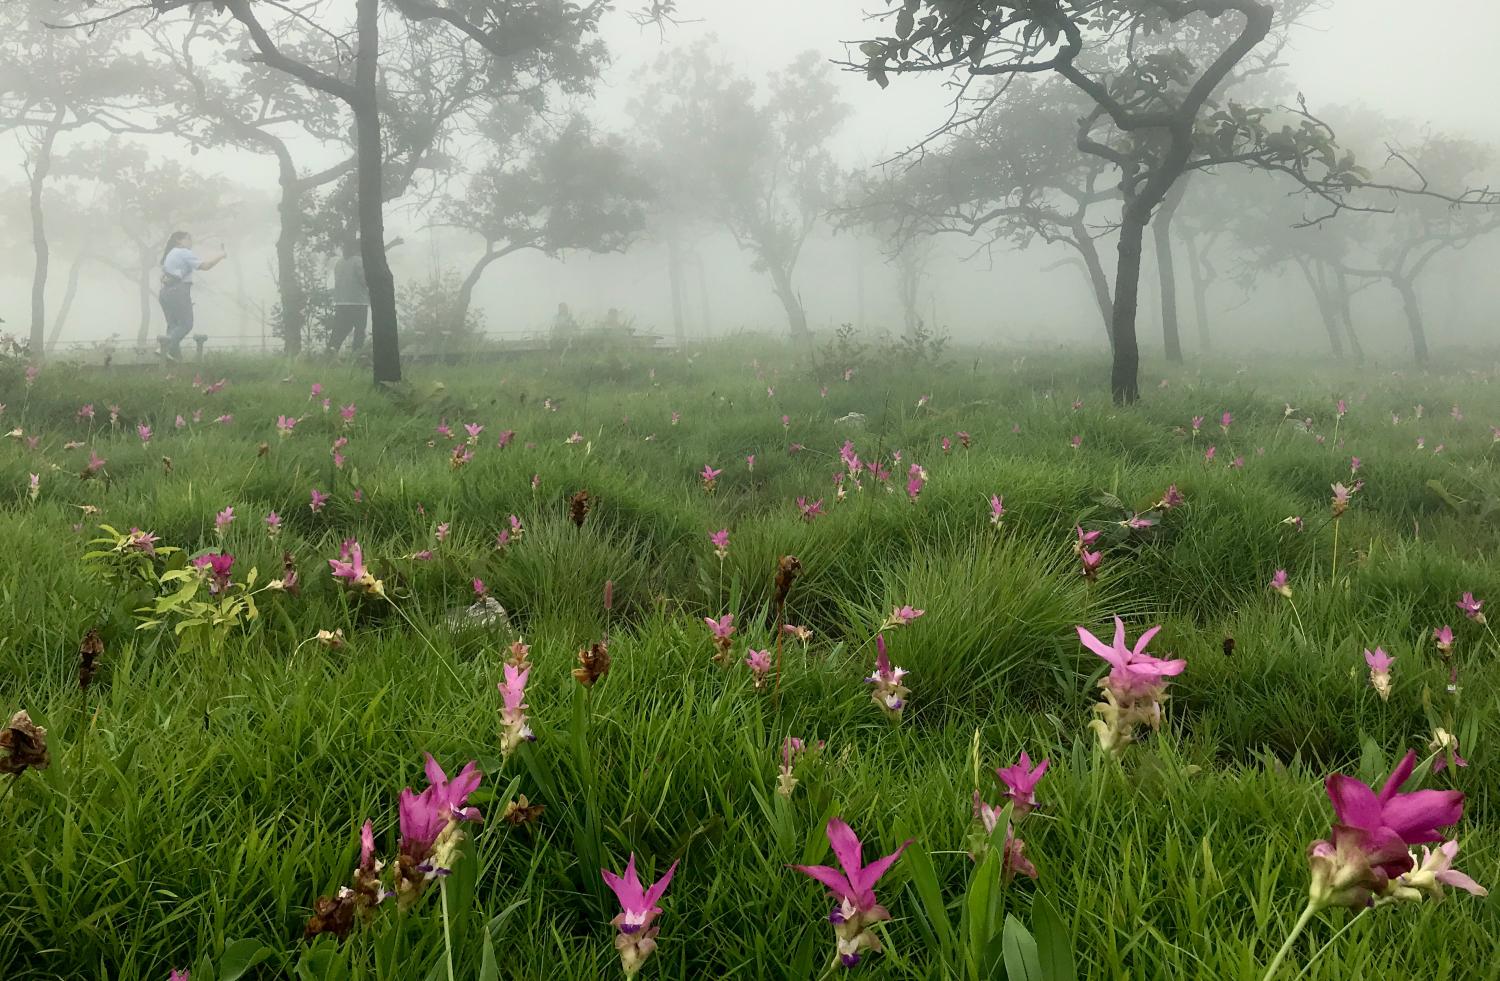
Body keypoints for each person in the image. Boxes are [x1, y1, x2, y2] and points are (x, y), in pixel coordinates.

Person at [158, 231, 225, 359]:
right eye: (188, 239)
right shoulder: (183, 253)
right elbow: (205, 266)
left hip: (165, 293)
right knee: (185, 324)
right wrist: (221, 255)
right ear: (179, 240)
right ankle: (165, 348)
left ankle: (174, 359)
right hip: (179, 291)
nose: (191, 242)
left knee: (173, 326)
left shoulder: (171, 253)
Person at [328, 239, 369, 355]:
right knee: (360, 330)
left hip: (341, 301)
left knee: (340, 329)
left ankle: (331, 350)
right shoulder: (359, 261)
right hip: (358, 302)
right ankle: (357, 354)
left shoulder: (339, 263)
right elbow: (364, 281)